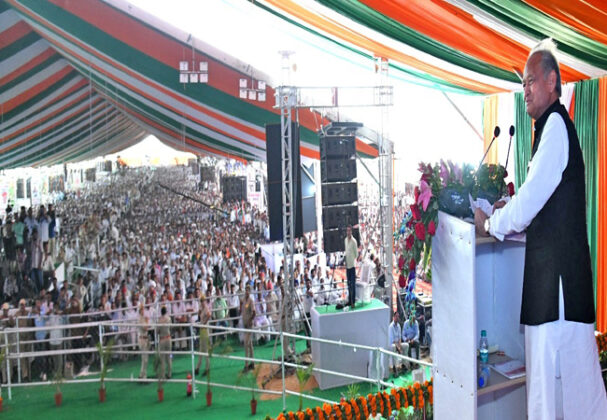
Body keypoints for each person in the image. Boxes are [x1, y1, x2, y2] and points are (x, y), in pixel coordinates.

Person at [474, 39, 607, 419]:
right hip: (557, 286)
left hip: (557, 289)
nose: (526, 90)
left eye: (531, 81)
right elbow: (539, 200)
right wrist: (507, 211)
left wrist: (493, 223)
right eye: (523, 84)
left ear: (552, 82)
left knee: (556, 394)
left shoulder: (555, 128)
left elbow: (530, 200)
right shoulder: (551, 128)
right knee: (568, 391)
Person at [195, 295, 211, 376]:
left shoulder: (206, 308)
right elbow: (199, 315)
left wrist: (204, 323)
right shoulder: (202, 309)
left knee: (205, 350)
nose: (202, 302)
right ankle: (198, 367)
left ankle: (207, 368)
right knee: (201, 350)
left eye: (203, 301)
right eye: (201, 301)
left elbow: (209, 315)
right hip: (202, 330)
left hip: (205, 330)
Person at [241, 284, 255, 371]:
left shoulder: (251, 301)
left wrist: (249, 321)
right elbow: (242, 309)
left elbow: (254, 312)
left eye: (248, 290)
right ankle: (252, 362)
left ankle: (246, 364)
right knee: (250, 344)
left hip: (249, 325)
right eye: (245, 290)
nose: (246, 292)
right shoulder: (243, 300)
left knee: (246, 343)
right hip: (245, 324)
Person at [343, 225, 358, 307]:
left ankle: (353, 301)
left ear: (351, 231)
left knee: (353, 284)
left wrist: (352, 259)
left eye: (349, 231)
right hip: (347, 265)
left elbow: (356, 254)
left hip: (352, 265)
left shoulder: (354, 241)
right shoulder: (345, 240)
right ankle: (350, 300)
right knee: (348, 284)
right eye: (347, 231)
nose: (348, 232)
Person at [156, 305, 171, 379]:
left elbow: (157, 331)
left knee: (162, 358)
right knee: (168, 357)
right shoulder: (169, 318)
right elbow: (170, 327)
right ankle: (169, 373)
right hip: (168, 338)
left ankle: (163, 375)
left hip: (162, 339)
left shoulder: (159, 320)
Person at [388, 311, 403, 377]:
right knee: (394, 347)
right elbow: (392, 340)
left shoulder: (399, 325)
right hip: (392, 345)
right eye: (396, 316)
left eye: (398, 316)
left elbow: (400, 337)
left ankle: (404, 364)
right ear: (393, 317)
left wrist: (400, 346)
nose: (397, 318)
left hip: (397, 344)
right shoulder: (391, 326)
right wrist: (398, 348)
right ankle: (395, 368)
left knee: (406, 345)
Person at [137, 303, 149, 379]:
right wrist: (147, 321)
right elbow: (145, 328)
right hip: (142, 339)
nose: (143, 311)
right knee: (145, 359)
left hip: (144, 338)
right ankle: (143, 375)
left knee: (144, 358)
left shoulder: (142, 318)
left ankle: (142, 374)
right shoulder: (140, 319)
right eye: (142, 310)